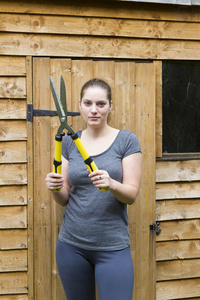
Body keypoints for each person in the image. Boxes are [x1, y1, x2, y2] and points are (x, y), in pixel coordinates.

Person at [45, 78, 142, 300]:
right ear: (80, 105)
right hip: (71, 246)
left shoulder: (126, 140)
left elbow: (131, 195)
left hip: (112, 247)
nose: (94, 110)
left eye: (100, 104)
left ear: (110, 106)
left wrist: (112, 184)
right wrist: (54, 188)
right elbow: (64, 198)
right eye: (88, 103)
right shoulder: (69, 142)